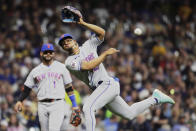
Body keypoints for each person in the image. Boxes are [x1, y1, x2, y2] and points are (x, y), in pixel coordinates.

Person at [58, 16, 175, 131]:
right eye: (63, 43)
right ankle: (156, 99)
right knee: (129, 114)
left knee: (88, 108)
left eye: (68, 40)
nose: (66, 43)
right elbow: (89, 66)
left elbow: (102, 33)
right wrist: (104, 54)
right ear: (63, 48)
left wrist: (83, 23)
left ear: (74, 41)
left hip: (107, 84)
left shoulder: (88, 45)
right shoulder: (69, 62)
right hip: (102, 89)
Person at [14, 43, 80, 131]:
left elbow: (69, 87)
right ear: (41, 53)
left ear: (53, 53)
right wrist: (20, 100)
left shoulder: (62, 67)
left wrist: (74, 105)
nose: (48, 54)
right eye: (46, 52)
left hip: (57, 103)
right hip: (42, 104)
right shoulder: (35, 71)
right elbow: (27, 88)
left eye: (50, 52)